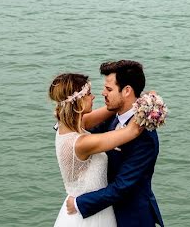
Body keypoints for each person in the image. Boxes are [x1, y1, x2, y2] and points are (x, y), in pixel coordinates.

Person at [66, 60, 164, 227]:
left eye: (109, 89)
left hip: (132, 218)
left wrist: (78, 203)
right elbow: (81, 131)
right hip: (106, 213)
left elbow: (122, 186)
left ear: (127, 91)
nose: (103, 93)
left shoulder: (145, 136)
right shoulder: (113, 117)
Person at [50, 73, 144, 227]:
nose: (93, 97)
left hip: (87, 208)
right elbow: (132, 131)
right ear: (78, 102)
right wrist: (150, 102)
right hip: (88, 215)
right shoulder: (82, 143)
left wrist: (132, 98)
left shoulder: (69, 126)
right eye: (88, 94)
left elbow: (112, 109)